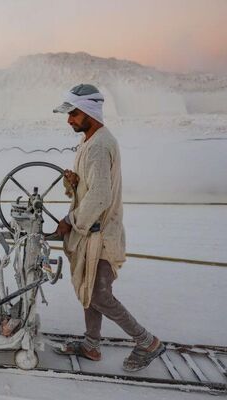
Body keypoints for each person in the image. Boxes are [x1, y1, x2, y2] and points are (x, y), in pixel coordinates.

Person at [52, 84, 164, 372]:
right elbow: (92, 188)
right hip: (93, 232)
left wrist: (70, 222)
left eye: (73, 114)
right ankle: (92, 345)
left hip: (101, 235)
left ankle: (147, 342)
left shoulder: (99, 146)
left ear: (89, 111)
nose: (70, 120)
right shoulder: (90, 142)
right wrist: (74, 183)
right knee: (91, 287)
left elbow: (100, 197)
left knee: (100, 294)